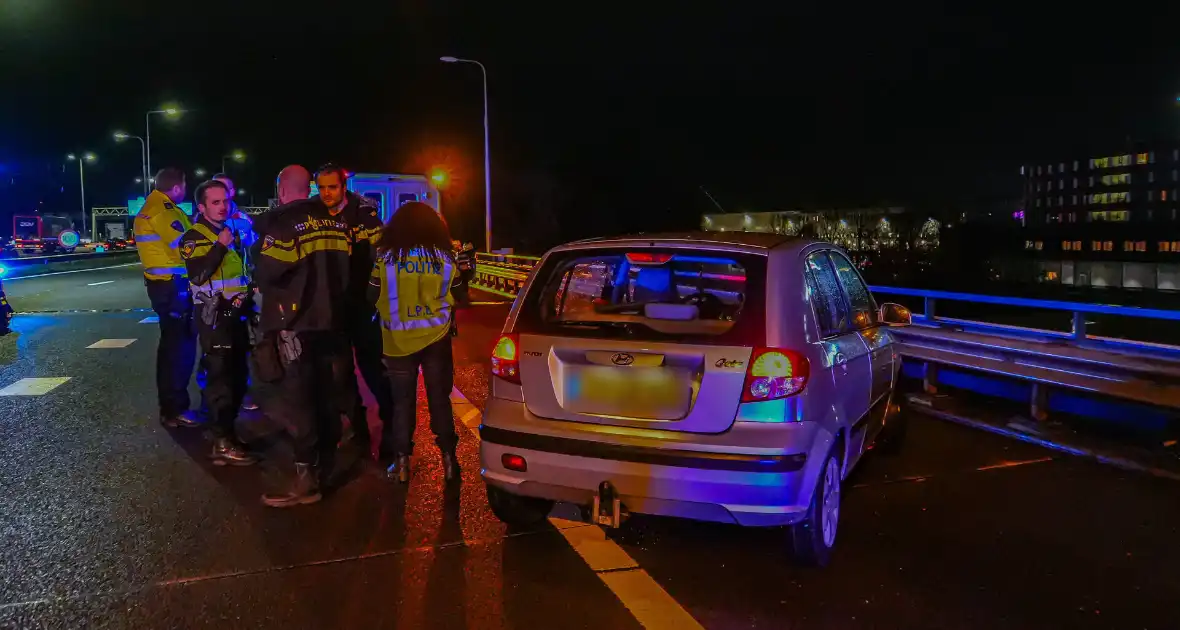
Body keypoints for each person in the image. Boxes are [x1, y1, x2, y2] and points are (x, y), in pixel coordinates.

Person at [254, 165, 352, 508]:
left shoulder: (282, 225)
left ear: (282, 190)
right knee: (328, 398)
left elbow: (266, 272)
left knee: (299, 403)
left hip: (296, 326)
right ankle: (326, 466)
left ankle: (305, 480)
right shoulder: (337, 222)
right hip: (335, 324)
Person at [369, 201, 472, 483]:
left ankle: (401, 465)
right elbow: (461, 295)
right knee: (440, 400)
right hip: (436, 338)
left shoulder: (386, 257)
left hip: (397, 339)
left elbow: (371, 295)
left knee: (402, 404)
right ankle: (450, 462)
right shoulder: (446, 257)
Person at [312, 164, 394, 460]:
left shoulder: (364, 215)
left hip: (362, 304)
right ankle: (358, 431)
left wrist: (374, 295)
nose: (326, 194)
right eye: (321, 188)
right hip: (332, 307)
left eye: (332, 187)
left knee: (373, 367)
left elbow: (382, 256)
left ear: (343, 188)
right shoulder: (315, 215)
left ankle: (392, 429)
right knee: (339, 372)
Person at [179, 179, 257, 466]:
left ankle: (227, 433)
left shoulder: (228, 231)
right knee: (220, 380)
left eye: (225, 201)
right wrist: (220, 247)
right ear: (201, 207)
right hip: (213, 318)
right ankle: (221, 440)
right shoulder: (194, 236)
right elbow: (198, 276)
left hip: (235, 314)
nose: (223, 206)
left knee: (237, 377)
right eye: (215, 202)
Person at [133, 167, 199, 428]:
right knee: (178, 350)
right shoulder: (164, 209)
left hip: (166, 287)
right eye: (184, 185)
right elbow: (186, 245)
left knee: (174, 347)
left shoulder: (157, 206)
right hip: (173, 289)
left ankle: (172, 408)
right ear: (178, 187)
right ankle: (174, 409)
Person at [212, 172, 260, 412]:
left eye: (226, 189)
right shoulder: (203, 222)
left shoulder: (243, 219)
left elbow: (255, 249)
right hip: (213, 299)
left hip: (242, 292)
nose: (223, 194)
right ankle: (214, 401)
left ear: (232, 193)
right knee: (215, 353)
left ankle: (244, 392)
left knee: (244, 345)